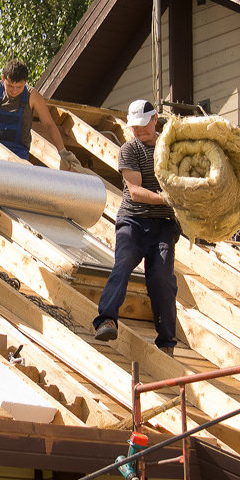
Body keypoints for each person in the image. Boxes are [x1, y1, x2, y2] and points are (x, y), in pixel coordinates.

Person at [92, 99, 180, 355]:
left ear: (154, 120)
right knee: (123, 264)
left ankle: (166, 342)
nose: (139, 132)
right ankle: (107, 319)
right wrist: (169, 198)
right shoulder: (130, 150)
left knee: (161, 278)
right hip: (134, 220)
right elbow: (137, 192)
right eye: (135, 128)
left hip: (164, 224)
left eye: (143, 126)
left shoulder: (171, 148)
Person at [0, 59, 81, 171]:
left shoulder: (32, 96)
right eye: (10, 86)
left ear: (25, 82)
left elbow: (49, 124)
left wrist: (62, 151)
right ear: (3, 79)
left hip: (19, 157)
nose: (14, 91)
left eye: (19, 87)